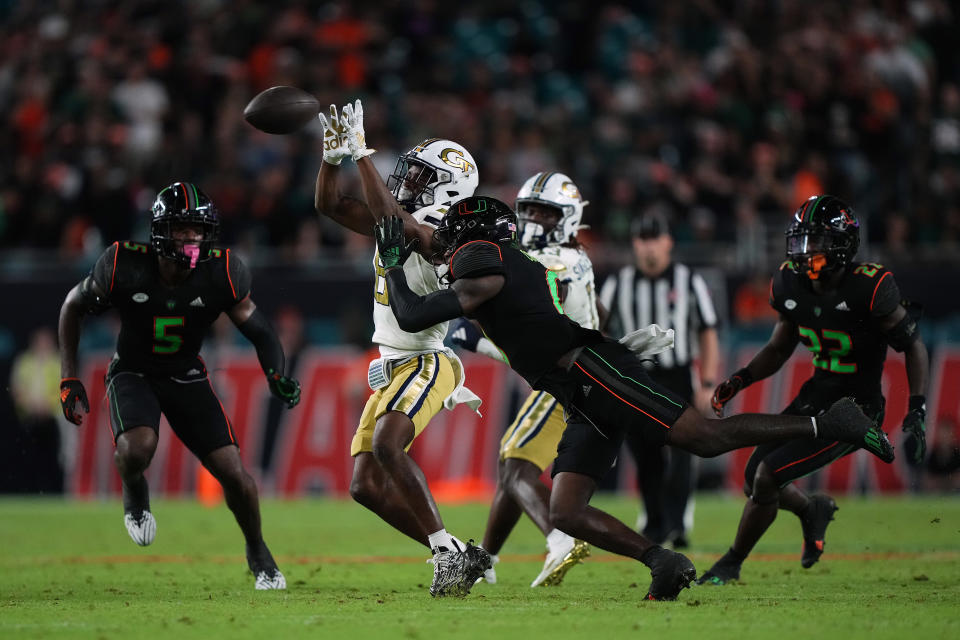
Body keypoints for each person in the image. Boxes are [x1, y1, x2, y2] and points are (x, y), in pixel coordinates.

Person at [371, 194, 895, 601]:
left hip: (591, 372)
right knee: (568, 510)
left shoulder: (487, 261)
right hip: (576, 389)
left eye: (453, 234)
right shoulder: (496, 260)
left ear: (475, 237)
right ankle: (662, 562)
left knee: (705, 439)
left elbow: (415, 314)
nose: (444, 242)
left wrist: (394, 265)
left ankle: (832, 425)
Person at [57, 182, 301, 590]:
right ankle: (135, 490)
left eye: (198, 230)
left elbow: (260, 330)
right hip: (133, 371)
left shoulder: (222, 271)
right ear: (161, 232)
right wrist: (68, 377)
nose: (192, 239)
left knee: (234, 472)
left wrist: (275, 373)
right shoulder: (124, 264)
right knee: (137, 449)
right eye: (182, 229)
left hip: (186, 374)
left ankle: (257, 549)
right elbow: (72, 307)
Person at [700, 195, 928, 585]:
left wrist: (917, 406)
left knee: (768, 476)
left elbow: (913, 346)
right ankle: (811, 512)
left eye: (816, 242)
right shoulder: (789, 281)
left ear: (842, 244)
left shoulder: (869, 286)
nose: (805, 253)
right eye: (801, 241)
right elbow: (778, 347)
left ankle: (732, 562)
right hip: (816, 394)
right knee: (754, 474)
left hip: (856, 409)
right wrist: (741, 379)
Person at [314, 100, 490, 597]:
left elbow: (401, 224)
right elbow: (330, 206)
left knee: (388, 444)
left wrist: (361, 154)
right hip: (392, 362)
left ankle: (444, 555)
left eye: (421, 177)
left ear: (448, 188)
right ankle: (455, 550)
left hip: (429, 361)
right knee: (364, 487)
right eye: (409, 173)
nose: (407, 182)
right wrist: (332, 159)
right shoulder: (399, 217)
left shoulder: (445, 235)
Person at [452, 172, 602, 587]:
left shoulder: (550, 264)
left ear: (568, 217)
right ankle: (483, 558)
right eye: (529, 211)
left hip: (566, 377)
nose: (535, 220)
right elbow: (598, 315)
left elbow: (535, 344)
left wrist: (474, 341)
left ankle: (558, 540)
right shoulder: (575, 257)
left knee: (515, 467)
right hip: (584, 374)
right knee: (511, 466)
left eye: (546, 212)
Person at [599, 209, 719, 549]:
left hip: (678, 375)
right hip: (636, 378)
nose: (649, 247)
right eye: (643, 239)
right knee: (645, 455)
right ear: (635, 244)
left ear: (668, 242)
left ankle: (677, 524)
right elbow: (600, 329)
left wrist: (707, 382)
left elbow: (707, 331)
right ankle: (654, 523)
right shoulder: (617, 283)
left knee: (684, 452)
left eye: (655, 239)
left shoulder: (688, 280)